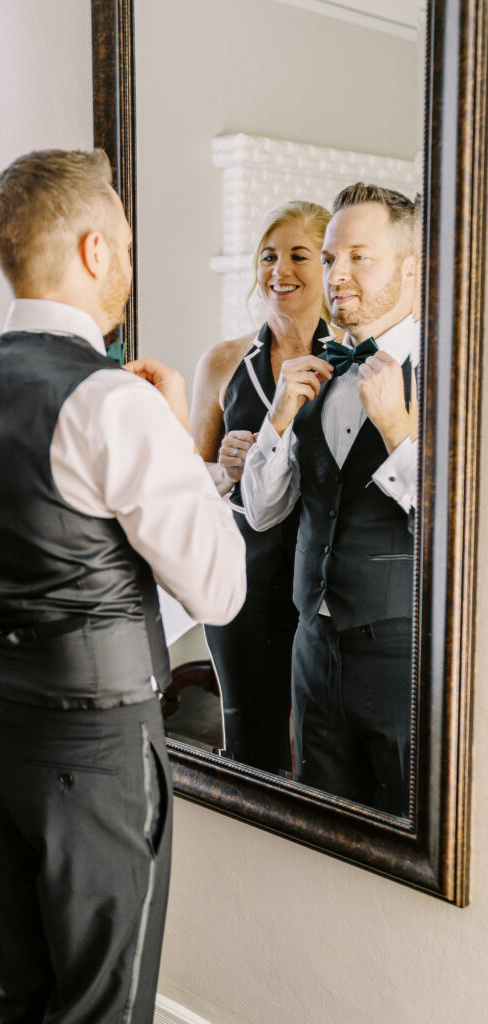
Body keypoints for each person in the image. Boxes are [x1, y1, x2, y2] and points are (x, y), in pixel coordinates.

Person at [0, 148, 245, 1024]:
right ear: (95, 251)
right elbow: (217, 592)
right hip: (94, 761)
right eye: (127, 247)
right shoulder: (113, 403)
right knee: (102, 1011)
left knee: (18, 995)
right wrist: (180, 440)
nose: (130, 268)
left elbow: (66, 555)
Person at [242, 182, 418, 816]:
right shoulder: (317, 374)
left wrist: (399, 431)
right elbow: (262, 512)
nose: (336, 275)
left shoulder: (458, 380)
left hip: (406, 658)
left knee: (409, 834)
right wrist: (280, 419)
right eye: (330, 257)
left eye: (358, 258)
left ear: (410, 267)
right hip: (311, 651)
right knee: (320, 826)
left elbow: (461, 537)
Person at [190, 200, 333, 772]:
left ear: (326, 267)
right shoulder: (223, 362)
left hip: (324, 589)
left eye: (299, 255)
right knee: (253, 749)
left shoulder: (351, 363)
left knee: (323, 755)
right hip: (244, 587)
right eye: (269, 256)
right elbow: (191, 484)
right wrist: (224, 471)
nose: (281, 271)